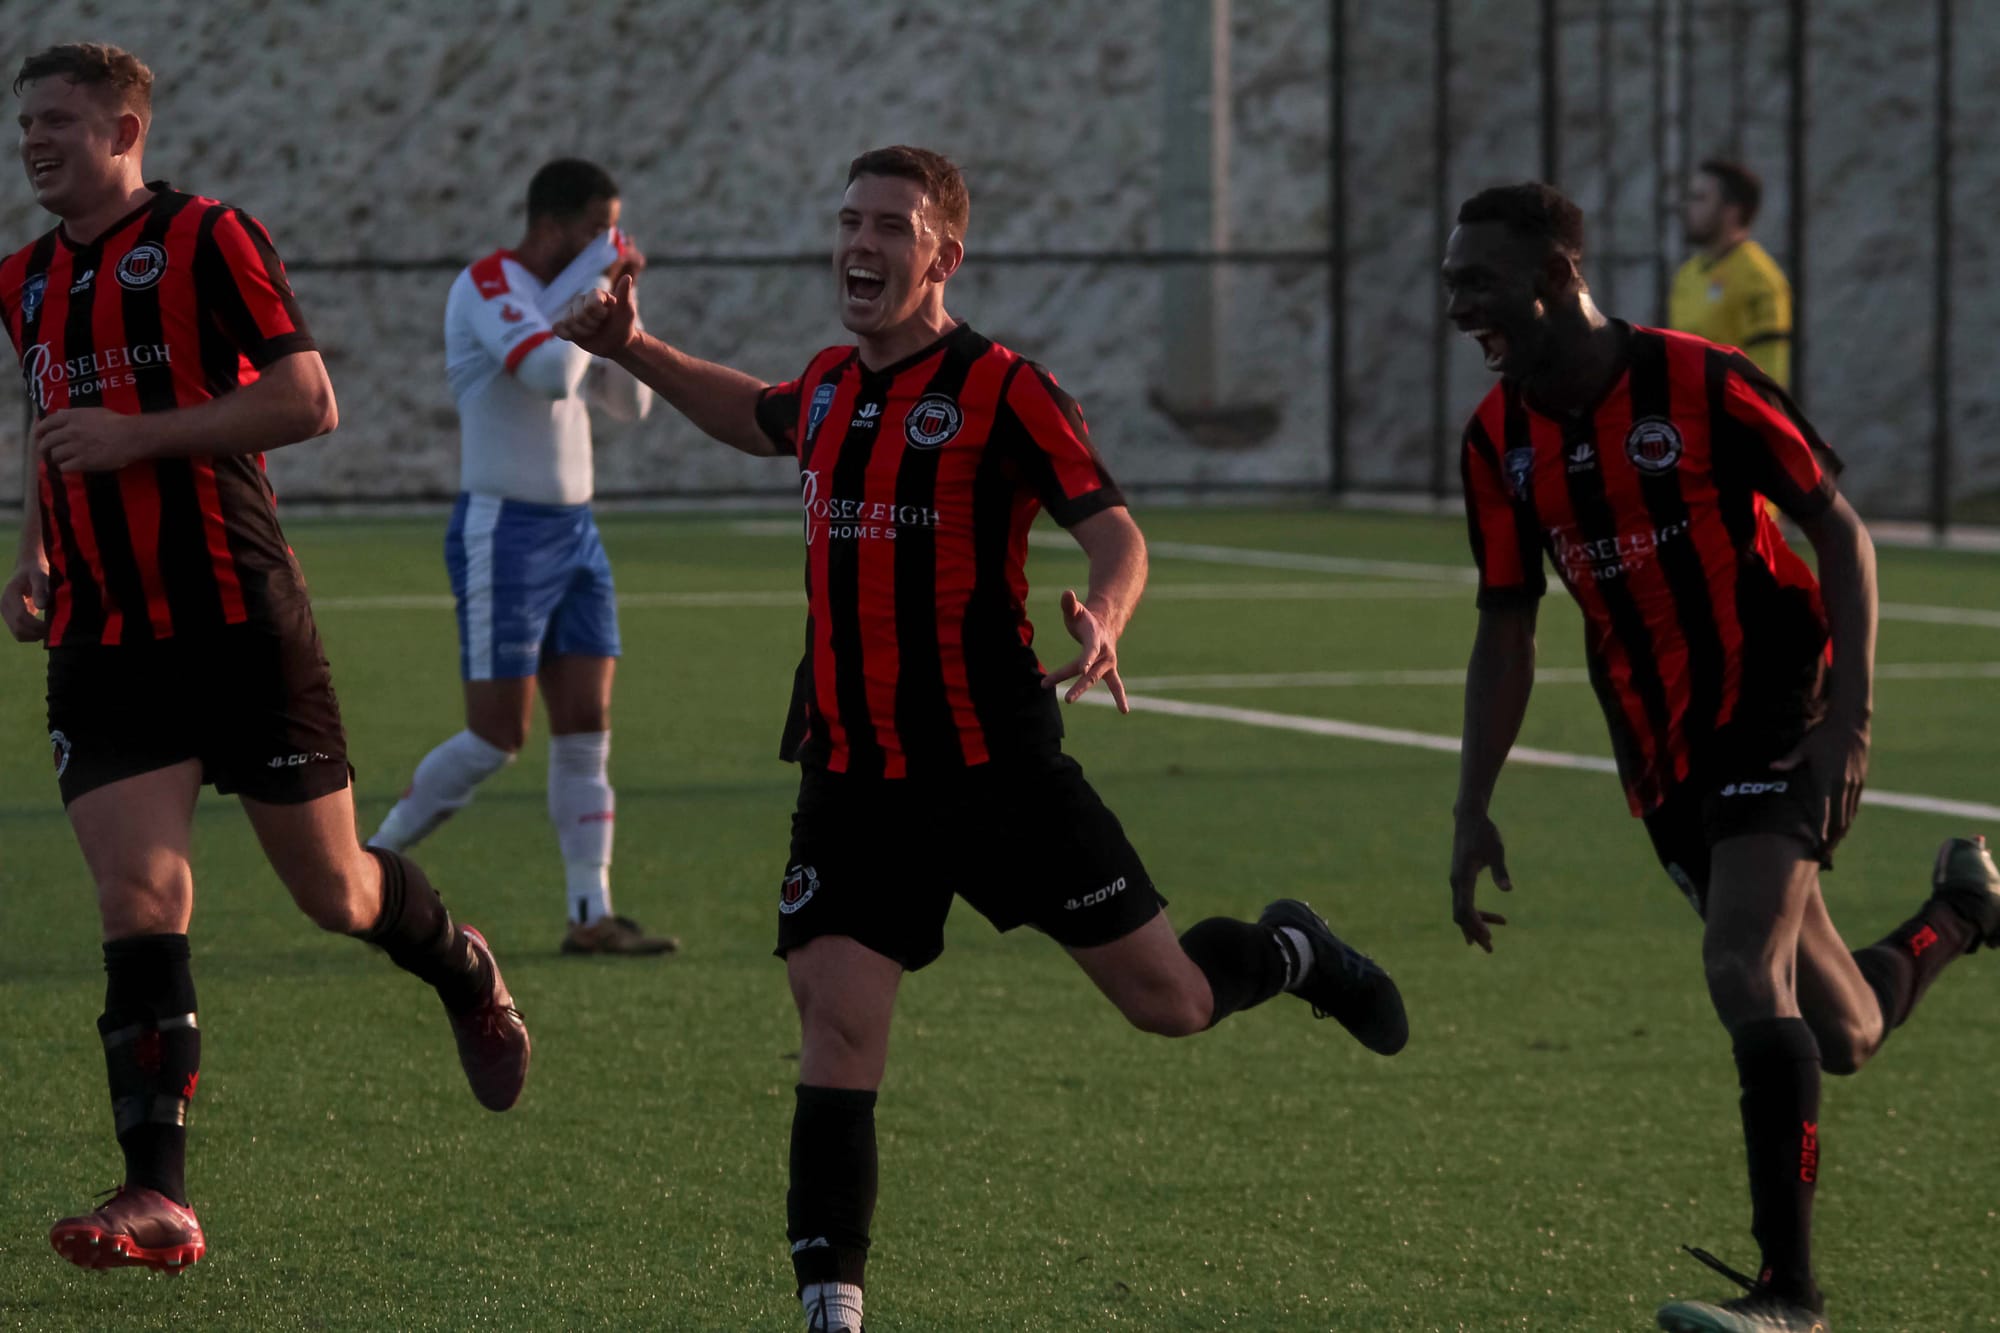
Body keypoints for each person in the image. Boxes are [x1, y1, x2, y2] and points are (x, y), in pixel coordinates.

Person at [554, 144, 1409, 1333]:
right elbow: (755, 417)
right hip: (852, 774)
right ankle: (831, 1306)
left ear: (942, 254)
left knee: (1166, 1002)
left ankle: (1293, 952)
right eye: (849, 220)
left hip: (996, 767)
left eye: (891, 227)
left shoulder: (1005, 388)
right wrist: (630, 348)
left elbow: (1113, 530)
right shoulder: (831, 388)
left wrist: (1104, 619)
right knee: (837, 1020)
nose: (862, 244)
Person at [1, 43, 530, 1275]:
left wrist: (143, 438)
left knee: (334, 892)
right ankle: (158, 1193)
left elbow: (306, 399)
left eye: (62, 122)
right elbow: (51, 420)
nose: (35, 141)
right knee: (139, 898)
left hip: (240, 620)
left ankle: (461, 967)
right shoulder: (23, 279)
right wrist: (34, 554)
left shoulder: (206, 238)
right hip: (103, 638)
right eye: (26, 122)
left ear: (125, 128)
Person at [1442, 181, 1999, 1333]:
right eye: (1450, 284)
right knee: (1837, 1030)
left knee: (1739, 965)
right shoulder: (1494, 440)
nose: (1456, 308)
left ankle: (1788, 1297)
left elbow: (1836, 528)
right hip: (1656, 746)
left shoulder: (1697, 382)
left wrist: (1846, 717)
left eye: (1475, 283)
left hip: (1773, 699)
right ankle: (1961, 910)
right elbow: (1507, 621)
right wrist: (1470, 803)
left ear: (1552, 278)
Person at [366, 158, 674, 957]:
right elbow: (545, 371)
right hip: (503, 531)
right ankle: (368, 867)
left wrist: (620, 314)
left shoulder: (570, 292)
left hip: (578, 535)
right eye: (599, 228)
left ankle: (590, 911)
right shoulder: (487, 284)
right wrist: (592, 286)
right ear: (555, 227)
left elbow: (630, 401)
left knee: (586, 726)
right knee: (496, 735)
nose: (611, 240)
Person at [1669, 159, 1792, 389]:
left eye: (1700, 198)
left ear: (1731, 211)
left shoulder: (1758, 279)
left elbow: (1769, 378)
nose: (1688, 207)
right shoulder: (1687, 275)